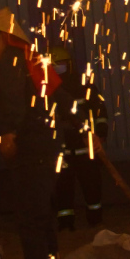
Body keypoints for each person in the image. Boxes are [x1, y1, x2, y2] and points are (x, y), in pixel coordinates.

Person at [0, 8, 72, 259]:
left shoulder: (10, 61)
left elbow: (14, 100)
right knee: (41, 218)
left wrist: (8, 133)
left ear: (2, 37)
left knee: (31, 218)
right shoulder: (32, 59)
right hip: (47, 146)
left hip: (31, 147)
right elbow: (61, 98)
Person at [51, 47, 107, 231]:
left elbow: (100, 112)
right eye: (54, 66)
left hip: (86, 145)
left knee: (92, 184)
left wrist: (100, 134)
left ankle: (95, 219)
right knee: (62, 187)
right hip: (62, 148)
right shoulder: (48, 90)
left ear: (70, 65)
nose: (58, 68)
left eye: (61, 65)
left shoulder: (85, 85)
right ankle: (66, 223)